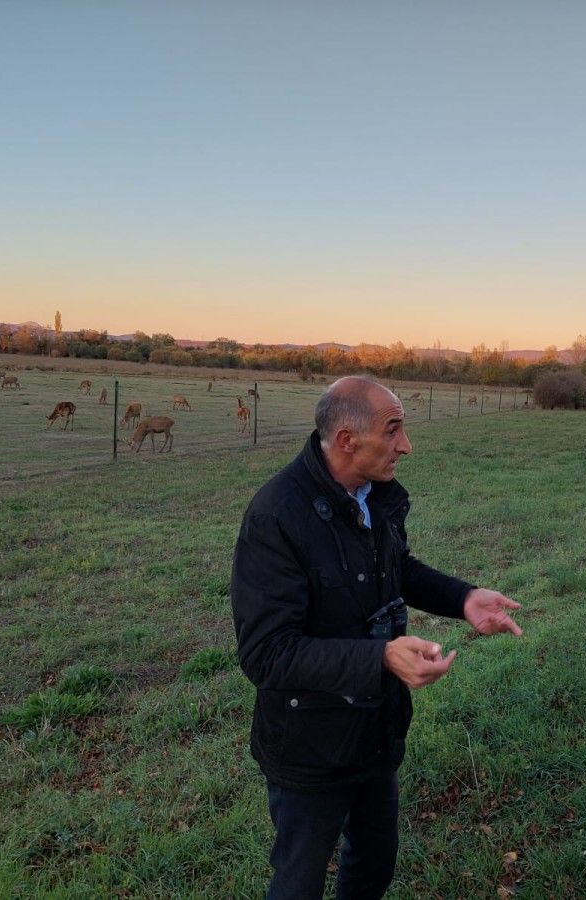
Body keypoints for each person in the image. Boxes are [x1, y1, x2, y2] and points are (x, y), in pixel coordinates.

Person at [230, 375, 522, 900]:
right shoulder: (277, 516)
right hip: (309, 745)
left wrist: (462, 598)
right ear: (347, 440)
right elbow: (266, 655)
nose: (405, 445)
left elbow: (396, 568)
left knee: (373, 867)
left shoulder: (372, 495)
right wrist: (381, 658)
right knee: (298, 883)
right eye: (393, 431)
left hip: (374, 730)